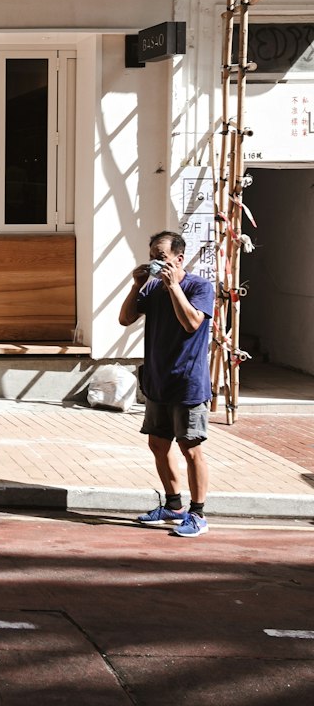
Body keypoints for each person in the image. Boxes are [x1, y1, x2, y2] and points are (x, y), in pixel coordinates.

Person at [118, 230, 214, 538]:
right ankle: (173, 506)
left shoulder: (199, 286)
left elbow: (191, 322)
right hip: (157, 380)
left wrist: (174, 287)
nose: (156, 265)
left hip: (187, 383)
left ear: (178, 258)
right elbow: (125, 319)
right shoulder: (153, 289)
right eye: (152, 258)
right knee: (158, 444)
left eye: (161, 258)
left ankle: (198, 514)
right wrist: (136, 284)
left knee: (191, 447)